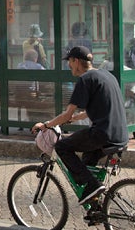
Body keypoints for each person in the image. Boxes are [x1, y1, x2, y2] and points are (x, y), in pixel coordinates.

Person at [30, 46, 127, 204]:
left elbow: (66, 114)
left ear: (76, 61)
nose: (68, 65)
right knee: (86, 162)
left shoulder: (85, 79)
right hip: (120, 135)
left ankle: (91, 185)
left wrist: (46, 125)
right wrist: (75, 119)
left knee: (62, 147)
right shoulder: (105, 75)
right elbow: (97, 108)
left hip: (102, 134)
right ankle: (96, 204)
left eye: (69, 61)